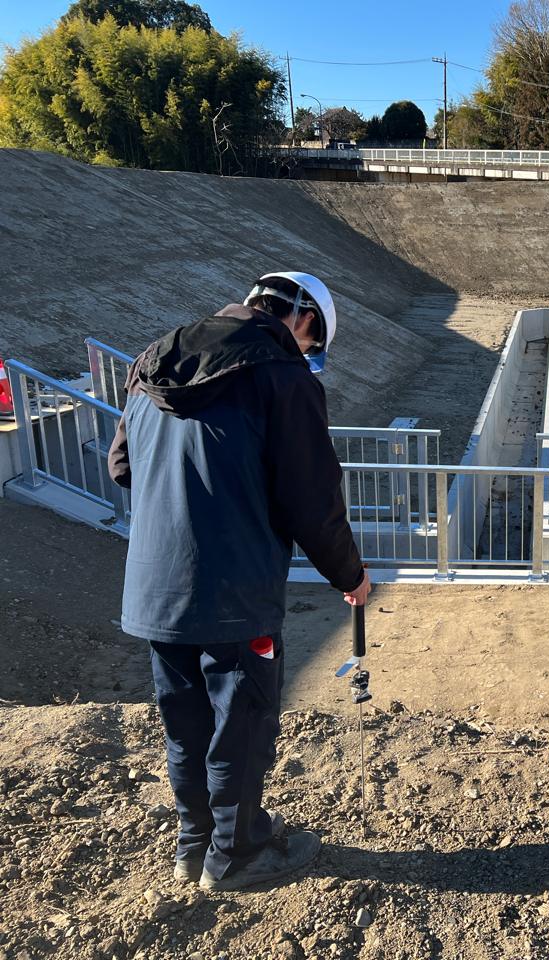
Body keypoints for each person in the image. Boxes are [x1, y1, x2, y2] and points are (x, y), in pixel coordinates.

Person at [108, 271, 371, 892]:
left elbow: (122, 466)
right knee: (242, 723)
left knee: (186, 724)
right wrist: (350, 575)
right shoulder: (283, 379)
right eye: (312, 344)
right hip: (235, 589)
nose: (308, 354)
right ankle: (236, 854)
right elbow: (312, 500)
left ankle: (194, 845)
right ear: (303, 320)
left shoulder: (155, 359)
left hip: (155, 588)